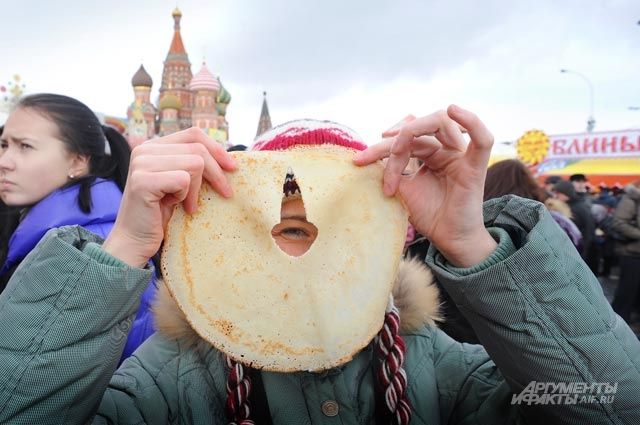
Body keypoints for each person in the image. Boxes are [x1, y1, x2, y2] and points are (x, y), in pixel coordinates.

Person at [1, 107, 639, 424]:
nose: (301, 256)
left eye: (329, 229)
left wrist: (472, 244)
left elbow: (611, 403)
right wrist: (121, 253)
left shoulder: (439, 366)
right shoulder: (170, 378)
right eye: (283, 229)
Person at [0, 93, 157, 361]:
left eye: (25, 146)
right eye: (3, 145)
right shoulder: (51, 227)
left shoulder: (92, 245)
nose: (4, 162)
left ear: (78, 161)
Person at [611, 180, 640, 326]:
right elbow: (618, 223)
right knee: (627, 292)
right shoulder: (632, 198)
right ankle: (618, 324)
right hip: (631, 253)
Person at [553, 180, 596, 263]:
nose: (556, 196)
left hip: (579, 252)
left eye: (558, 193)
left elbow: (588, 231)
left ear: (566, 193)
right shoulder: (572, 206)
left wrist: (582, 254)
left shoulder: (577, 208)